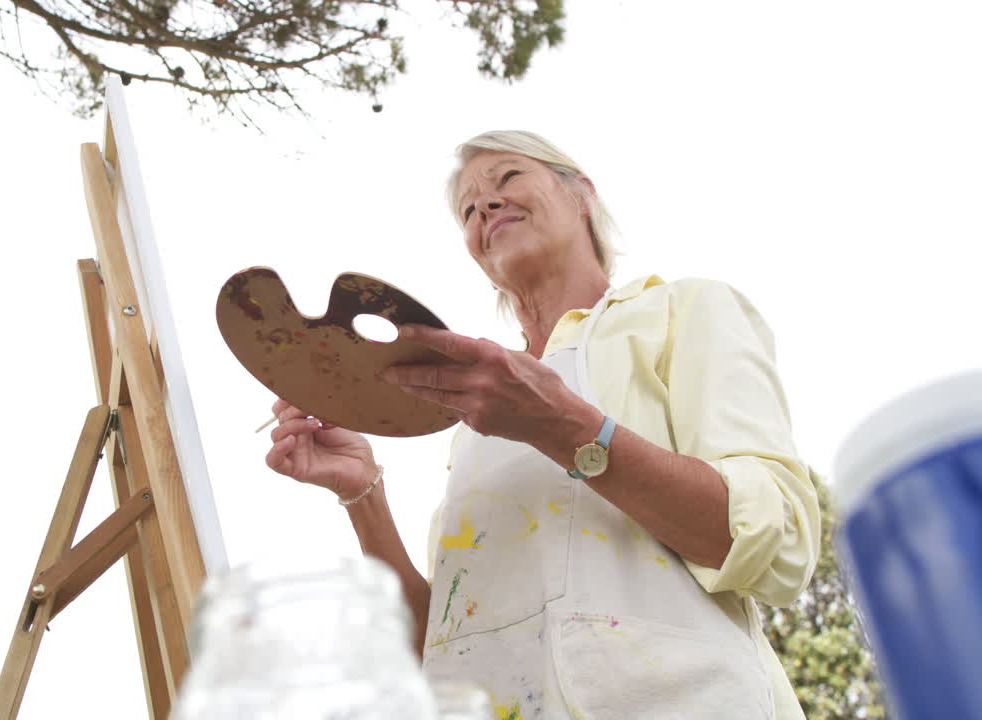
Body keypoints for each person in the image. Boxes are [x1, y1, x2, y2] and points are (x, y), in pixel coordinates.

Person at [265, 130, 820, 719]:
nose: (486, 206)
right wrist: (362, 494)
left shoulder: (681, 312)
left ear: (582, 195)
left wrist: (561, 426)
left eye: (507, 178)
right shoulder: (475, 422)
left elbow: (778, 541)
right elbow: (446, 643)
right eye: (469, 210)